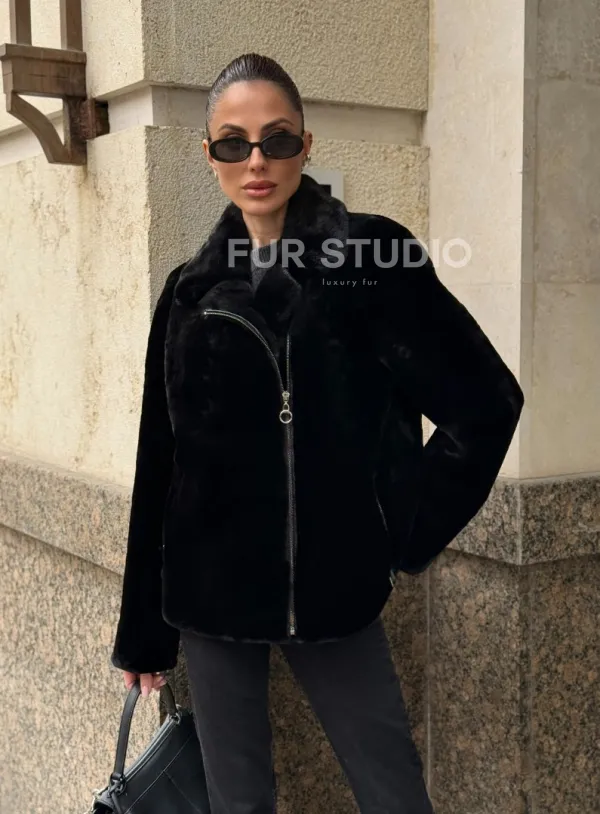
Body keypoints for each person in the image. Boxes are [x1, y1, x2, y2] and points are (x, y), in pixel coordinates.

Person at [110, 52, 524, 814]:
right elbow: (160, 459)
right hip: (211, 595)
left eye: (277, 139)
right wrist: (143, 633)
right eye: (233, 142)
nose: (256, 161)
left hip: (334, 591)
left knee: (392, 791)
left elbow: (486, 404)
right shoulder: (188, 293)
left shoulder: (372, 262)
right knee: (239, 803)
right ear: (209, 154)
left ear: (306, 144)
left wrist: (395, 531)